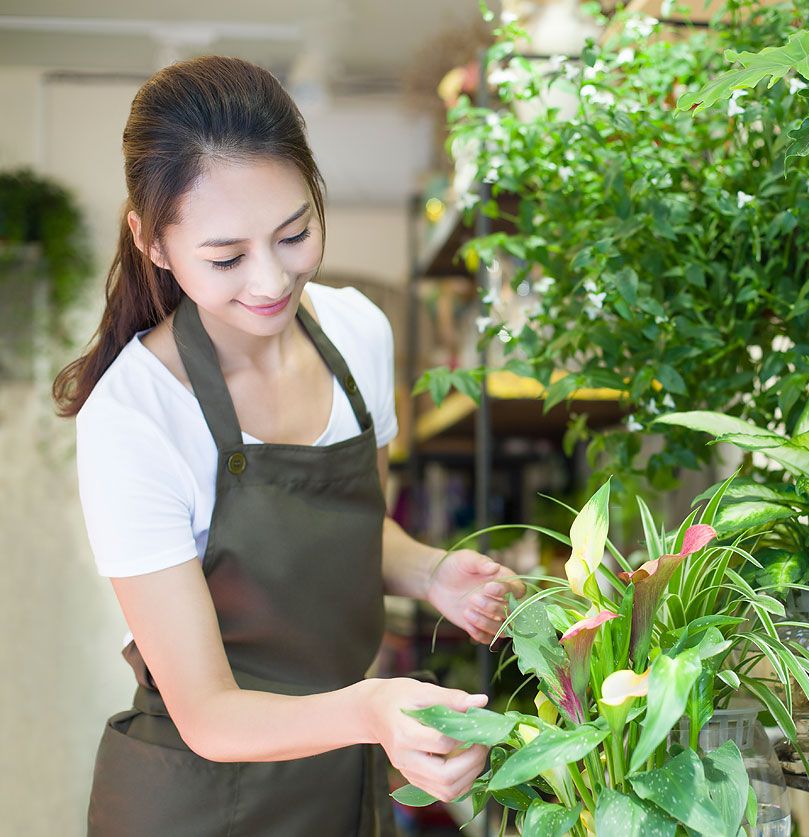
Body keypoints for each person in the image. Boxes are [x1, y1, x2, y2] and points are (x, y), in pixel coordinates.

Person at [53, 55, 521, 836]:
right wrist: (372, 706)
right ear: (153, 242)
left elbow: (345, 523)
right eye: (226, 256)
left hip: (339, 775)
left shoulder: (358, 332)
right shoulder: (135, 416)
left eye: (294, 232)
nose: (270, 279)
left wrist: (433, 571)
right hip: (196, 797)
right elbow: (207, 713)